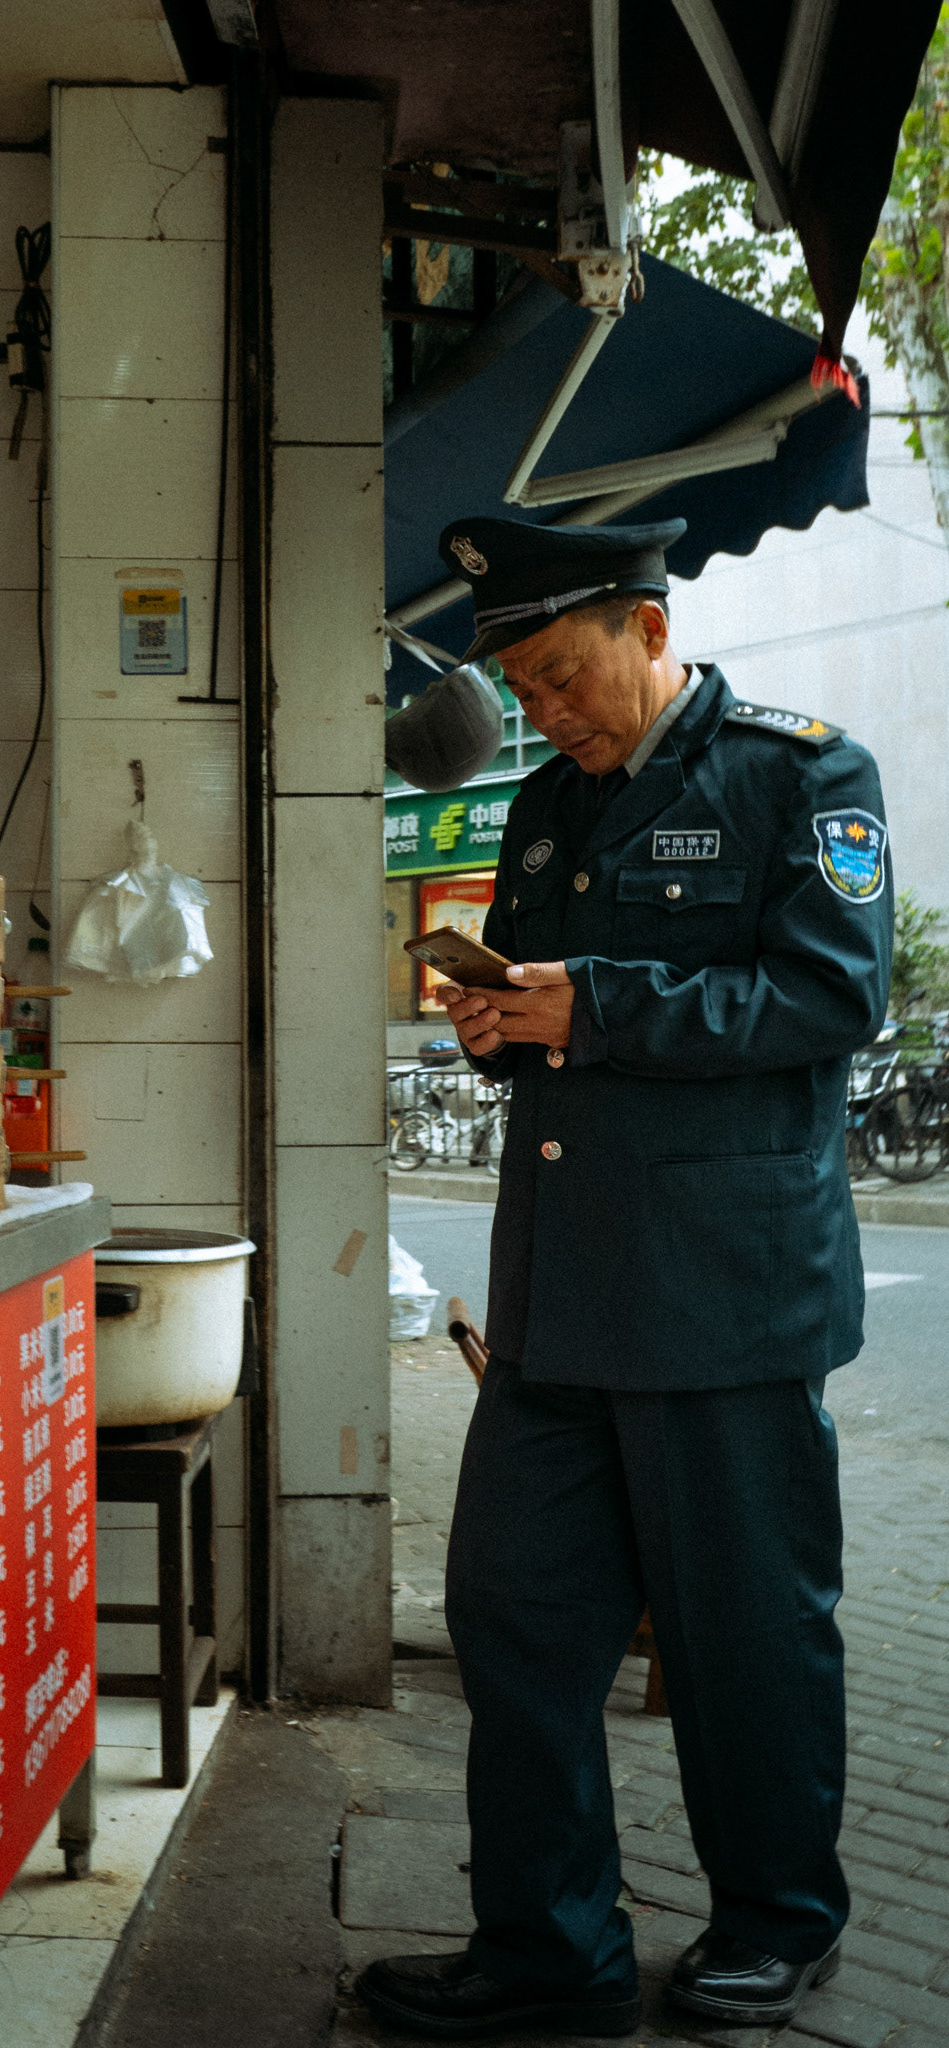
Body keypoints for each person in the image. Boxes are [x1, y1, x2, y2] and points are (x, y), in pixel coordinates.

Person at [357, 518, 891, 2039]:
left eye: (562, 673)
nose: (543, 708)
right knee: (511, 1616)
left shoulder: (799, 776)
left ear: (648, 632)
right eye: (520, 685)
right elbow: (540, 1001)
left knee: (741, 1633)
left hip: (723, 1300)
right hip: (559, 1302)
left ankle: (776, 1924)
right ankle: (548, 1950)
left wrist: (592, 1011)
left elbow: (825, 993)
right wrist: (494, 1018)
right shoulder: (538, 813)